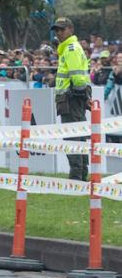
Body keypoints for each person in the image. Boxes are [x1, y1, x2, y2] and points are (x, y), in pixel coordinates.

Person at [52, 17, 92, 181]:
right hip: (72, 98)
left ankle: (76, 177)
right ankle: (81, 174)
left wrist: (82, 94)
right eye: (57, 30)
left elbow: (78, 78)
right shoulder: (68, 48)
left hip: (72, 98)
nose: (59, 33)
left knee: (73, 137)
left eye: (62, 29)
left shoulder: (70, 48)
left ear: (70, 30)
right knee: (78, 136)